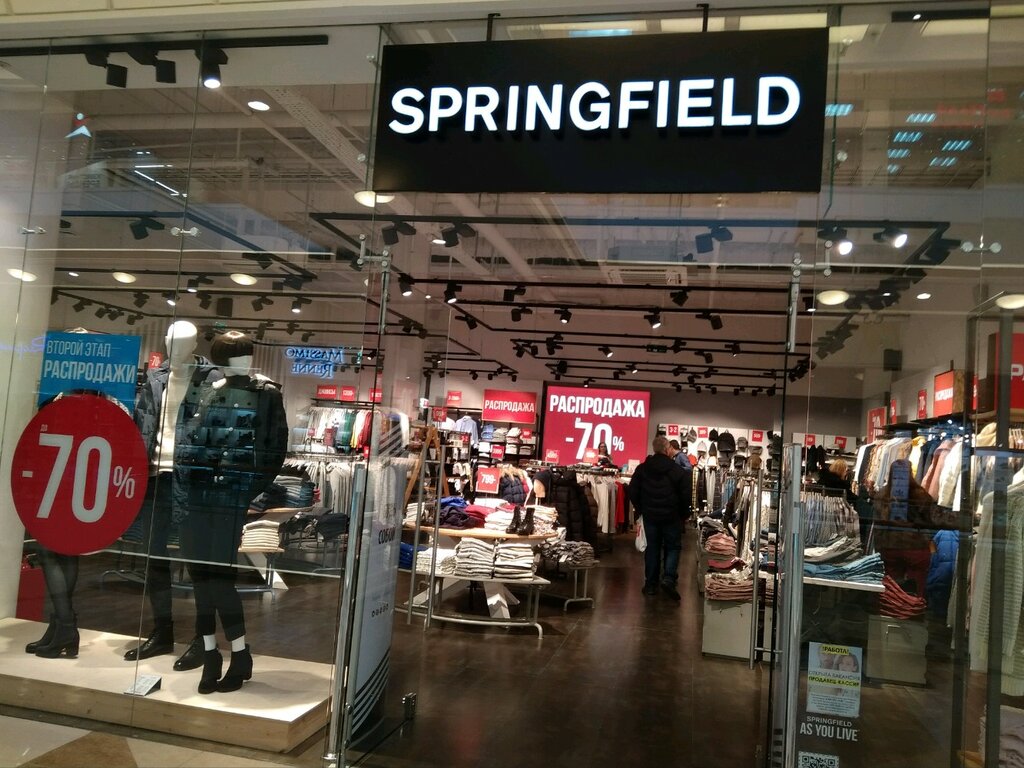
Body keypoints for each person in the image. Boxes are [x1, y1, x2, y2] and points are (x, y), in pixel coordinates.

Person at [628, 435, 693, 601]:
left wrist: (641, 508)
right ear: (667, 449)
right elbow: (685, 496)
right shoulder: (678, 471)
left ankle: (651, 584)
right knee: (673, 547)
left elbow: (632, 490)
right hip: (672, 516)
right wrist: (683, 515)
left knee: (652, 548)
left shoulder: (643, 469)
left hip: (650, 515)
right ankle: (669, 579)